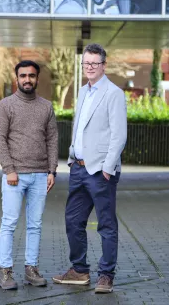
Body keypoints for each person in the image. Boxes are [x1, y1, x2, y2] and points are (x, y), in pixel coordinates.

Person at [52, 44, 127, 293]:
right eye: (86, 63)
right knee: (73, 220)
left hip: (101, 172)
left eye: (95, 63)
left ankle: (106, 275)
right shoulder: (83, 91)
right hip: (79, 169)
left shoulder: (114, 93)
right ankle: (79, 270)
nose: (90, 67)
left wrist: (108, 168)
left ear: (104, 65)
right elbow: (81, 127)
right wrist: (73, 158)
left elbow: (119, 135)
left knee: (106, 224)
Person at [0, 60, 58, 290]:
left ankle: (31, 269)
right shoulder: (6, 106)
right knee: (9, 223)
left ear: (37, 78)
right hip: (14, 176)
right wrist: (9, 169)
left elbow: (52, 140)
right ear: (17, 78)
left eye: (31, 75)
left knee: (35, 225)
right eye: (23, 76)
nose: (27, 79)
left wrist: (52, 170)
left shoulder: (46, 107)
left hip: (40, 176)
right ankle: (5, 272)